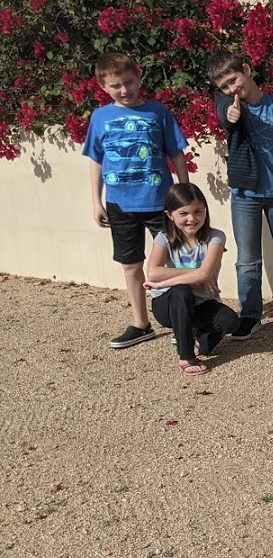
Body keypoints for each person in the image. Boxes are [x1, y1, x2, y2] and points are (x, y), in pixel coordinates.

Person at [82, 52, 191, 350]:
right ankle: (141, 324)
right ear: (103, 86)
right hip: (120, 205)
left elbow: (176, 153)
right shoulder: (100, 117)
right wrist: (96, 201)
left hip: (160, 202)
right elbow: (96, 160)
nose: (124, 90)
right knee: (131, 265)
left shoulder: (158, 112)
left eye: (129, 82)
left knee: (175, 260)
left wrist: (185, 192)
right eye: (116, 85)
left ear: (138, 78)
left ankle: (182, 319)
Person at [207, 50, 273, 337]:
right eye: (224, 86)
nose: (232, 89)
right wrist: (230, 113)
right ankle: (250, 314)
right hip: (245, 194)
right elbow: (225, 114)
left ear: (246, 69)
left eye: (233, 80)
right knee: (247, 259)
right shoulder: (228, 105)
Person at [145, 183, 239, 376]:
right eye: (183, 213)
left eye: (198, 211)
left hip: (202, 301)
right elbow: (153, 273)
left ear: (205, 210)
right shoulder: (163, 238)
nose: (192, 219)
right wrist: (193, 275)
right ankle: (186, 357)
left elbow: (204, 274)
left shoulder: (215, 237)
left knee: (229, 320)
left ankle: (195, 340)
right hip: (168, 305)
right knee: (181, 291)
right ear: (170, 215)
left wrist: (164, 282)